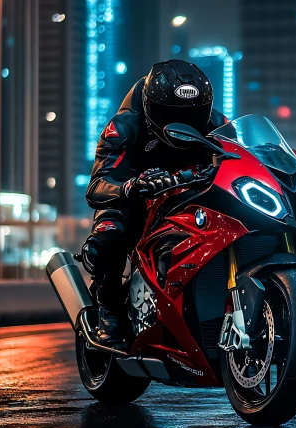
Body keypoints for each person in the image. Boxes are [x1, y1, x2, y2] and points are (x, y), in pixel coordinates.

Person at [81, 60, 228, 346]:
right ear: (150, 107)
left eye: (193, 114)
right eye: (170, 114)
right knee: (108, 234)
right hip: (137, 200)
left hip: (191, 198)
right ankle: (108, 309)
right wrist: (131, 186)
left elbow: (244, 156)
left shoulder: (218, 125)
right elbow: (97, 187)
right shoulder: (123, 127)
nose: (183, 124)